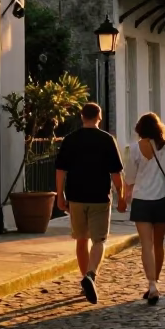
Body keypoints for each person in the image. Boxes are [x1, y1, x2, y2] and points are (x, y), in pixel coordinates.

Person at [55, 102, 124, 304]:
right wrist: (121, 195)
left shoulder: (70, 140)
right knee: (99, 240)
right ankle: (90, 275)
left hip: (76, 197)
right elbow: (116, 173)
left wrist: (60, 194)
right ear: (99, 117)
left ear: (81, 116)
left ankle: (85, 276)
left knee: (81, 239)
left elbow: (61, 170)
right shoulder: (106, 139)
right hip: (99, 197)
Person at [120, 112, 165, 305]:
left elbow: (130, 178)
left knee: (146, 245)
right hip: (162, 200)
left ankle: (152, 285)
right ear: (159, 128)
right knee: (158, 244)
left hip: (142, 200)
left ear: (140, 130)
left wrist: (126, 195)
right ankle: (155, 283)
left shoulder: (134, 149)